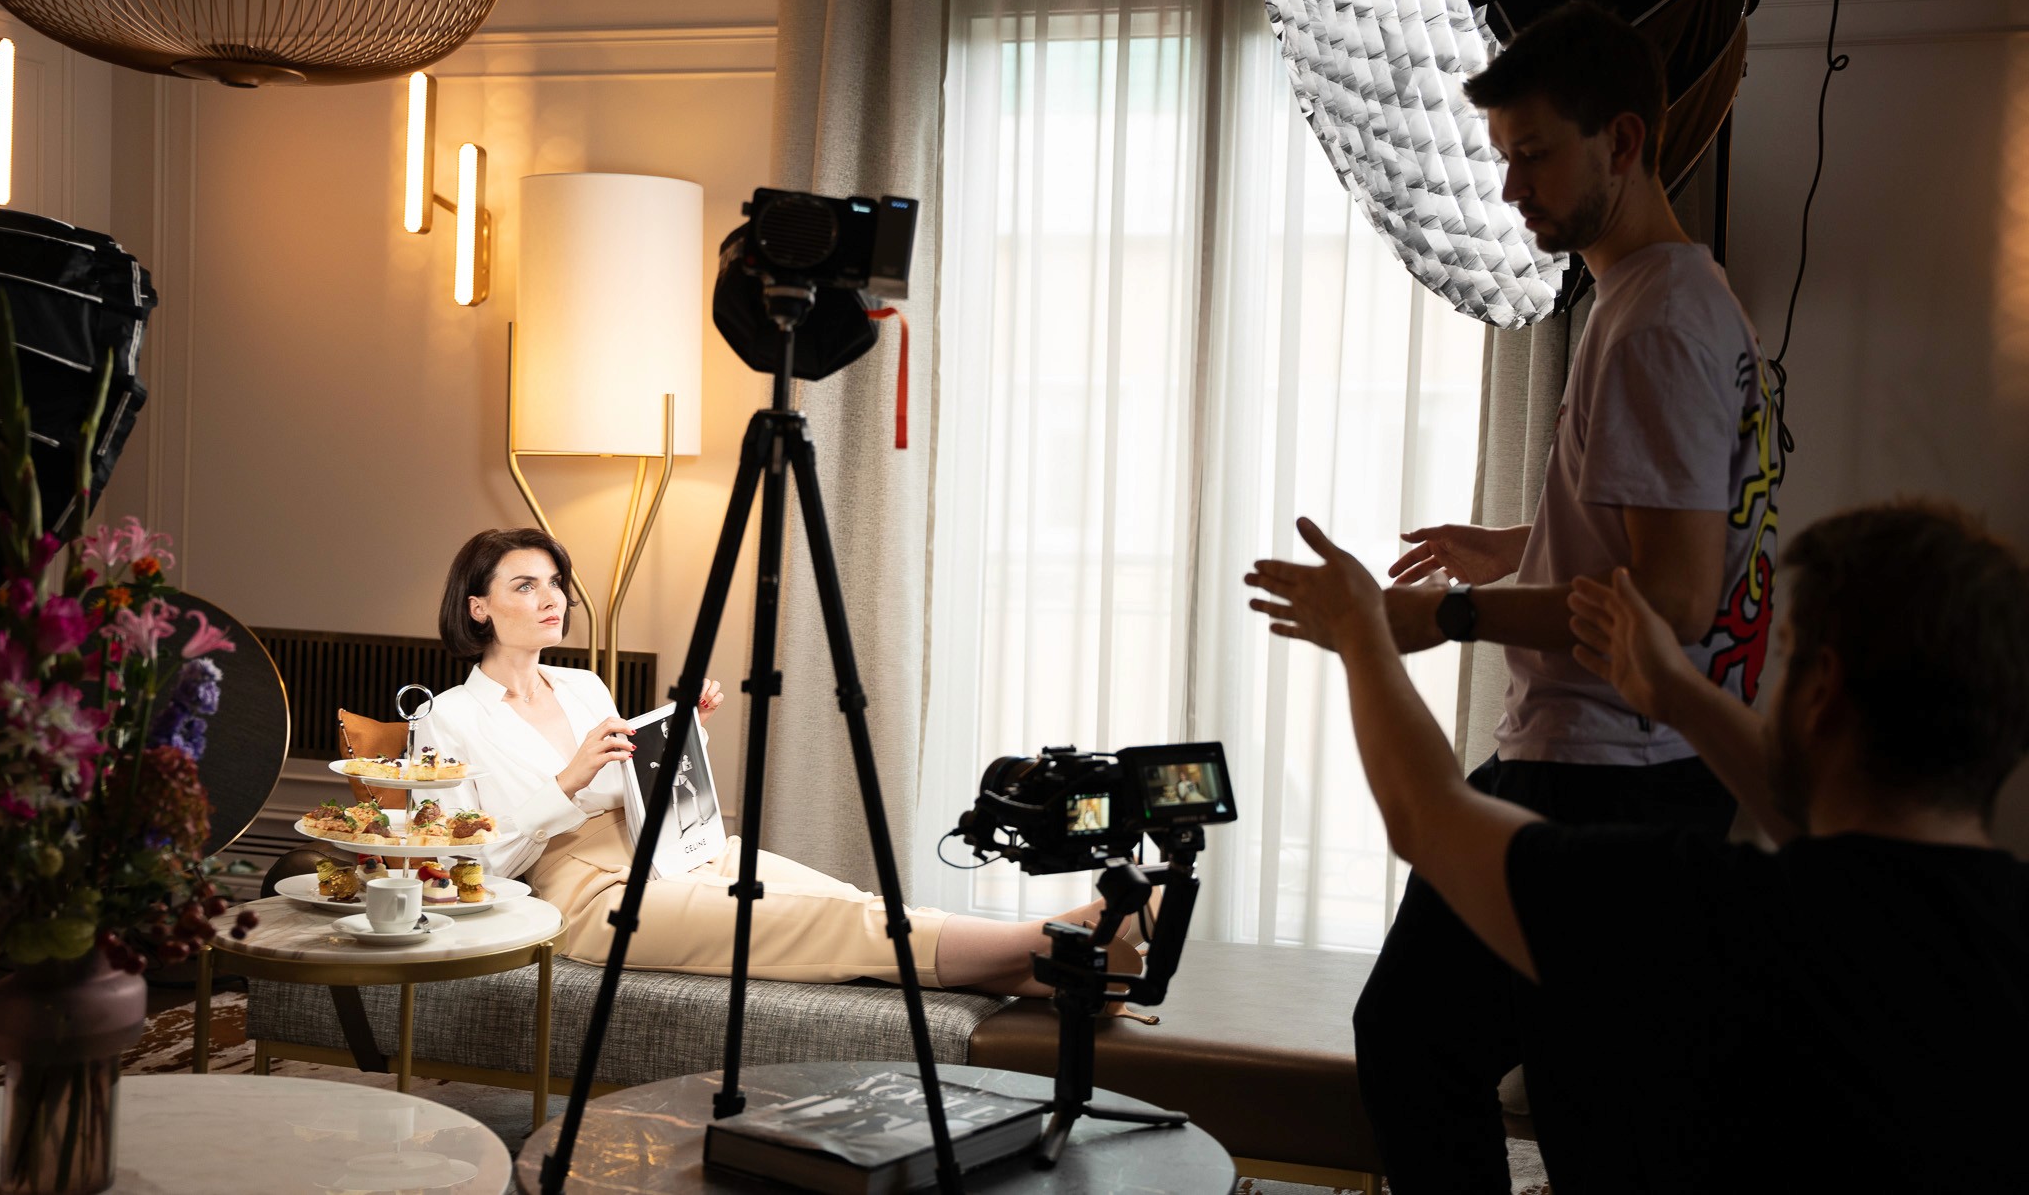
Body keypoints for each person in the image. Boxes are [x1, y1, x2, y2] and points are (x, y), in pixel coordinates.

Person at [1248, 502, 2029, 1191]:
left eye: (1785, 654)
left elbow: (1425, 814)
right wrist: (1679, 693)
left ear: (1822, 692)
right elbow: (1828, 834)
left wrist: (1360, 633)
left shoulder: (1711, 915)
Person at [1340, 0, 1784, 1190]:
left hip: (1599, 774)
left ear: (1623, 141)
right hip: (1641, 774)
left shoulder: (1650, 322)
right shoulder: (1676, 295)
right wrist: (1522, 546)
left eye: (1533, 154)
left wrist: (1446, 617)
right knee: (1590, 1104)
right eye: (1503, 160)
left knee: (1416, 1043)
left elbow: (1673, 601)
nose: (1511, 189)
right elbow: (1658, 532)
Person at [424, 526, 1144, 994]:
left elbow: (639, 789)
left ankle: (1038, 974)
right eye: (525, 585)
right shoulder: (449, 717)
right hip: (582, 892)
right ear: (478, 606)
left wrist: (681, 741)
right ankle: (1048, 940)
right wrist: (567, 780)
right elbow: (469, 866)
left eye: (556, 581)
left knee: (856, 903)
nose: (552, 598)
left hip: (671, 846)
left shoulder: (580, 685)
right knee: (824, 924)